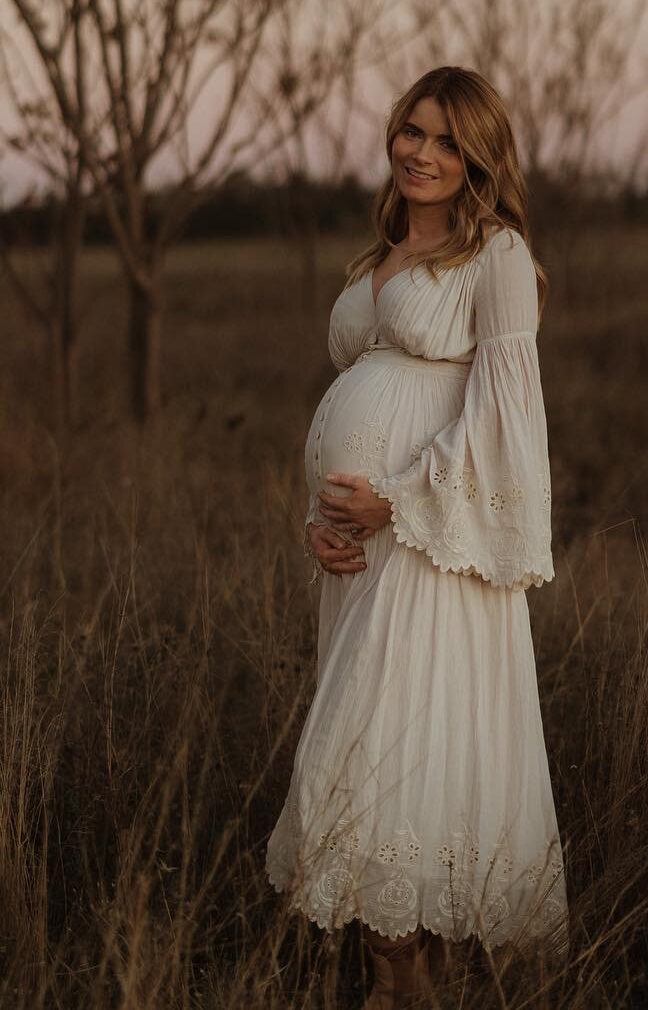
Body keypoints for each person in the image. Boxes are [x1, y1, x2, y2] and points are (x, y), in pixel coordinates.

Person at [265, 66, 568, 1008]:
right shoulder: (379, 256)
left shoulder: (499, 257)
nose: (422, 153)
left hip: (435, 544)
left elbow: (508, 425)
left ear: (478, 158)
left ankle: (407, 987)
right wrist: (321, 519)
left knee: (383, 764)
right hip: (362, 550)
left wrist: (397, 501)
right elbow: (361, 402)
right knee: (375, 768)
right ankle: (403, 990)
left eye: (446, 140)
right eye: (412, 131)